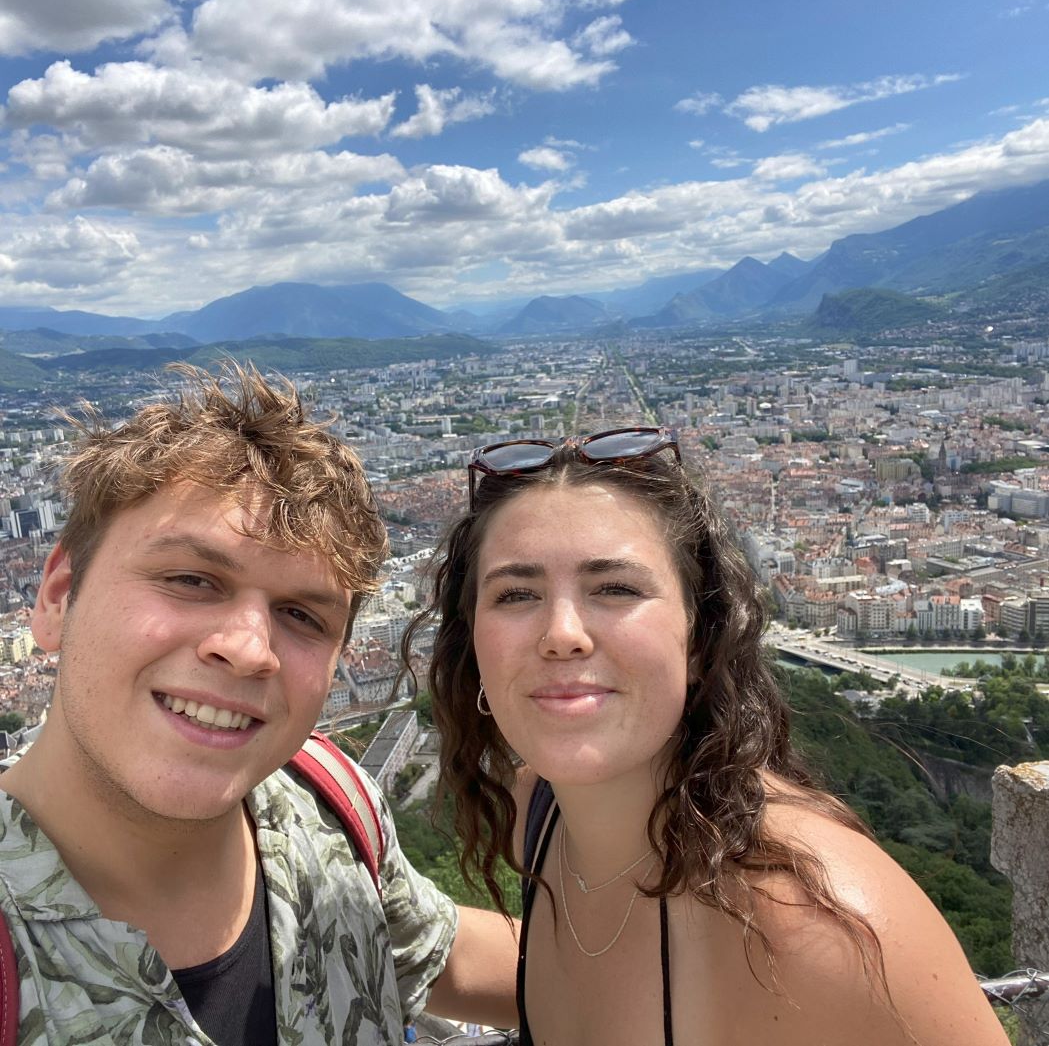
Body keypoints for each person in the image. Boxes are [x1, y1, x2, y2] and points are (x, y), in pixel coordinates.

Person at [406, 426, 1009, 1046]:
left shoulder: (818, 925)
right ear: (473, 646)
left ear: (700, 639)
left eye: (615, 589)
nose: (562, 632)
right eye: (516, 593)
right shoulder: (540, 814)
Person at [0, 363, 518, 1045]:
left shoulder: (329, 808)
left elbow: (451, 955)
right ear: (58, 597)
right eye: (190, 578)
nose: (249, 648)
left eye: (302, 615)